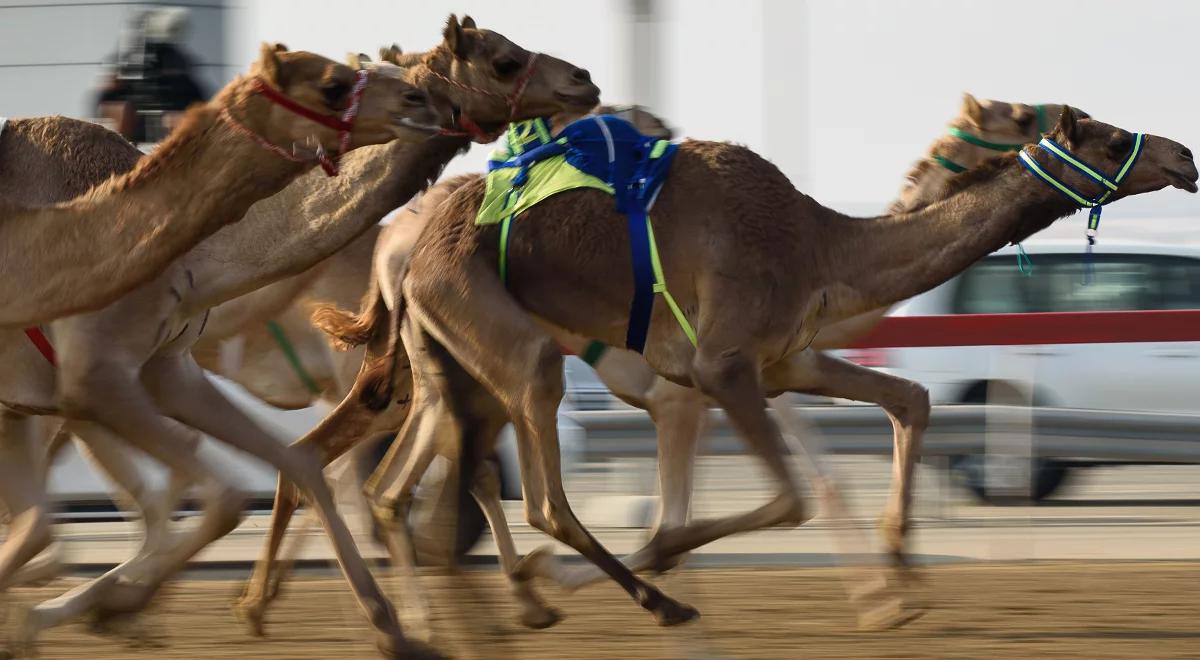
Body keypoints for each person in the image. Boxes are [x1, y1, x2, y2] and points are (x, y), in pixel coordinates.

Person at [93, 7, 209, 144]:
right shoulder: (129, 66)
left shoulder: (177, 65)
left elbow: (199, 105)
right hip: (132, 141)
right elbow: (107, 104)